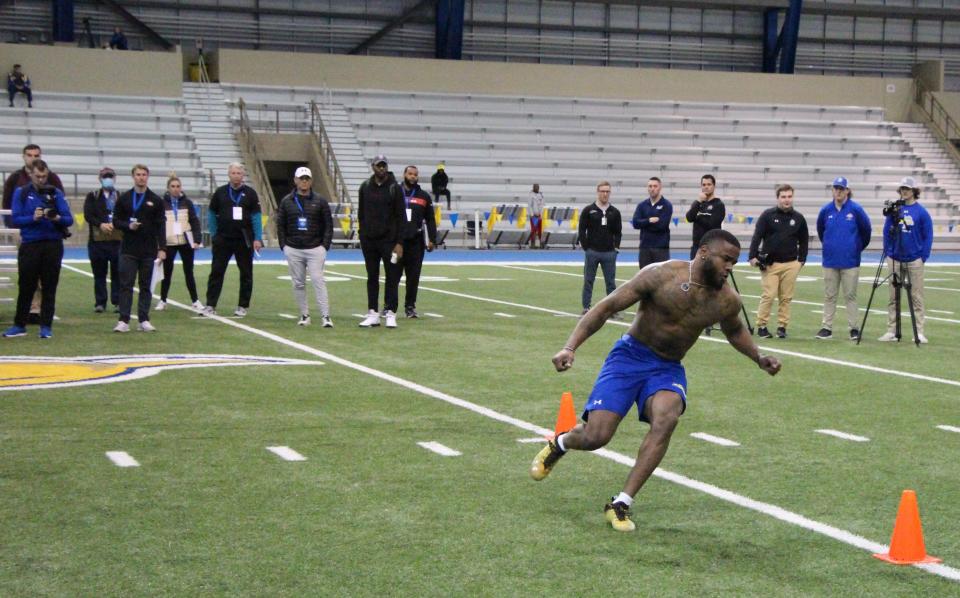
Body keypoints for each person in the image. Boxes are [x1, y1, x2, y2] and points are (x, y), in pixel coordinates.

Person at [530, 229, 781, 531]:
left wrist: (758, 358)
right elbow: (606, 307)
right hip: (629, 357)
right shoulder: (660, 275)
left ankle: (621, 502)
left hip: (667, 367)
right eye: (726, 259)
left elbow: (735, 331)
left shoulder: (726, 300)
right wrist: (570, 346)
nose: (730, 268)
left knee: (667, 417)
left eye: (734, 263)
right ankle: (560, 443)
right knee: (597, 437)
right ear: (703, 252)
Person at [2, 160, 73, 339]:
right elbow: (15, 219)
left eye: (44, 176)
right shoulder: (22, 193)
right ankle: (19, 324)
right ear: (31, 174)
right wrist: (33, 217)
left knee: (49, 286)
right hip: (30, 244)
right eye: (38, 176)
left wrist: (56, 217)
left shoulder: (55, 193)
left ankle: (46, 326)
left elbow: (68, 219)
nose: (41, 179)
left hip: (52, 244)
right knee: (26, 285)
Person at [748, 184, 809, 339]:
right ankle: (762, 326)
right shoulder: (767, 215)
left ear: (792, 197)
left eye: (789, 196)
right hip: (770, 264)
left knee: (786, 297)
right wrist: (752, 256)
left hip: (791, 264)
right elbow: (757, 236)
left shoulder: (799, 218)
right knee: (769, 295)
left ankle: (782, 327)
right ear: (778, 198)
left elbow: (804, 240)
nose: (786, 200)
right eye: (783, 197)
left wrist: (801, 260)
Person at [276, 167, 334, 328]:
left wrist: (324, 246)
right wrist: (284, 246)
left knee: (318, 280)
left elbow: (328, 224)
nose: (304, 181)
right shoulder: (286, 201)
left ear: (311, 181)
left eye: (307, 178)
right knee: (298, 283)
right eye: (301, 178)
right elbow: (280, 224)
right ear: (295, 180)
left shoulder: (320, 201)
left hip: (315, 248)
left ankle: (326, 316)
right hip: (293, 248)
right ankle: (304, 314)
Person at [203, 163, 262, 317]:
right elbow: (211, 214)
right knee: (216, 271)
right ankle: (210, 304)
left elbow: (256, 217)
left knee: (246, 273)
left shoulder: (250, 194)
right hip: (223, 239)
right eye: (233, 172)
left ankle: (243, 306)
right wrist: (215, 234)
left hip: (244, 239)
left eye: (239, 173)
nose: (236, 175)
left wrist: (258, 238)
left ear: (243, 175)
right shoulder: (220, 192)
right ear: (229, 174)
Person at [815, 177, 871, 340]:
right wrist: (829, 246)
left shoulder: (856, 210)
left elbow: (866, 231)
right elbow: (821, 230)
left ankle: (854, 328)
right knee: (829, 295)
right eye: (836, 188)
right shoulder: (826, 211)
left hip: (850, 261)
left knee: (850, 295)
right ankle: (827, 327)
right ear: (832, 190)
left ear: (847, 190)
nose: (838, 192)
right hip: (830, 260)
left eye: (841, 189)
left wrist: (855, 248)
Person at [878, 176, 933, 344]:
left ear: (914, 191)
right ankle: (892, 330)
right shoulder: (895, 210)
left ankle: (919, 331)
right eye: (902, 188)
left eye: (907, 189)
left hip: (914, 259)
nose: (904, 191)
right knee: (893, 297)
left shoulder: (922, 212)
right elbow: (887, 231)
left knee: (916, 296)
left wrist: (922, 256)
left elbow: (928, 235)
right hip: (895, 258)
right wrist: (888, 251)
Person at [112, 165, 166, 332]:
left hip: (148, 250)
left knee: (145, 286)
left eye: (144, 175)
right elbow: (115, 221)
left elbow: (161, 226)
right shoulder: (125, 198)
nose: (141, 178)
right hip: (128, 249)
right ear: (133, 177)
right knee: (126, 285)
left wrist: (162, 247)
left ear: (148, 177)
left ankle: (143, 319)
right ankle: (123, 320)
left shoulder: (155, 200)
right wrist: (128, 225)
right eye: (138, 175)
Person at [357, 155, 404, 329]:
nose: (381, 169)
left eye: (384, 166)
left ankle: (391, 312)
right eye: (378, 166)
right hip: (369, 240)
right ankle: (373, 313)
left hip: (389, 241)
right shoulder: (365, 187)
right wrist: (362, 234)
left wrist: (399, 242)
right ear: (373, 167)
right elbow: (361, 213)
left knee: (392, 277)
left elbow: (401, 216)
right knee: (372, 277)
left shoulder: (394, 188)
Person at [156, 174, 203, 312]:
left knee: (189, 272)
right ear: (168, 188)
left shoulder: (187, 203)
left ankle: (195, 300)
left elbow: (194, 221)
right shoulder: (162, 203)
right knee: (167, 272)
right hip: (169, 242)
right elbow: (158, 225)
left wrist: (197, 240)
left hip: (185, 242)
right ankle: (163, 300)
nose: (176, 189)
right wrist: (160, 245)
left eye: (178, 186)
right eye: (173, 186)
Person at [578, 181, 622, 317]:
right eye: (602, 191)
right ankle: (586, 308)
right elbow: (581, 230)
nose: (605, 194)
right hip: (592, 252)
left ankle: (612, 310)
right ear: (598, 192)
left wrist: (616, 248)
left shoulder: (614, 212)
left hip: (609, 253)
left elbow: (618, 232)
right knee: (588, 280)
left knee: (610, 283)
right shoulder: (588, 210)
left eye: (607, 191)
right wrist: (587, 248)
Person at [399, 165, 437, 318]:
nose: (413, 176)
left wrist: (433, 239)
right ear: (404, 175)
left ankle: (410, 306)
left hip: (416, 242)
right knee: (393, 276)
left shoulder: (423, 196)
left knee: (413, 277)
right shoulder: (395, 192)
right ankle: (389, 306)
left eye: (415, 174)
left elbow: (430, 219)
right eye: (410, 174)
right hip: (397, 242)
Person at [83, 167, 123, 313]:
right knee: (99, 273)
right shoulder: (92, 196)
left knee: (117, 272)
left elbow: (125, 214)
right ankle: (100, 302)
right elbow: (88, 214)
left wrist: (115, 224)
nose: (108, 179)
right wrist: (101, 224)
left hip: (116, 240)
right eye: (105, 176)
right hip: (97, 241)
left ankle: (118, 301)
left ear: (115, 178)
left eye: (110, 176)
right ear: (100, 179)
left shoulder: (120, 196)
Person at [631, 177, 672, 269]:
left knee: (661, 279)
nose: (652, 188)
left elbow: (662, 225)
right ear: (647, 188)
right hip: (645, 248)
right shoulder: (642, 205)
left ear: (660, 187)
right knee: (644, 279)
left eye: (655, 186)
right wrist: (649, 220)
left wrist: (643, 223)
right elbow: (635, 223)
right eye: (650, 186)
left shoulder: (667, 205)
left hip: (661, 248)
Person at [685, 174, 726, 260]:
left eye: (709, 184)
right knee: (694, 273)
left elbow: (712, 224)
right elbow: (689, 218)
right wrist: (698, 202)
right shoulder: (698, 203)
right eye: (704, 185)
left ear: (714, 186)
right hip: (696, 247)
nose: (706, 187)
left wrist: (699, 216)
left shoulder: (719, 205)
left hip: (712, 247)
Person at [528, 184, 545, 249]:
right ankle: (532, 243)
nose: (537, 188)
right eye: (535, 187)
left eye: (537, 187)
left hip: (539, 215)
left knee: (540, 230)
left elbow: (542, 205)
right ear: (533, 188)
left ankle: (541, 243)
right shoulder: (531, 195)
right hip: (534, 216)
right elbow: (530, 206)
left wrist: (541, 214)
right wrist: (532, 215)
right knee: (533, 230)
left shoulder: (541, 195)